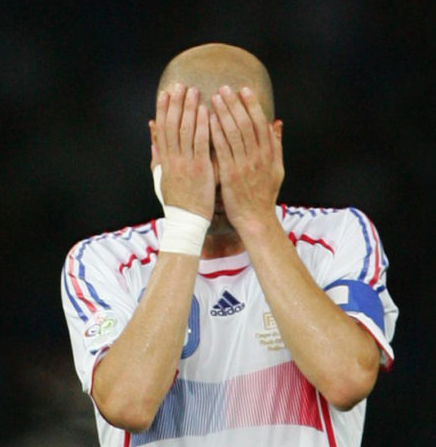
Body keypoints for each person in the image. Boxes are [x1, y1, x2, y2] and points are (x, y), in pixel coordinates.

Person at [60, 43, 398, 447]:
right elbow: (128, 404)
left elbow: (348, 380)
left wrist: (255, 218)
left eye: (235, 146)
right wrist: (185, 224)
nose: (215, 175)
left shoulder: (338, 236)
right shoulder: (102, 261)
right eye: (196, 148)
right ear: (158, 142)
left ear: (273, 140)